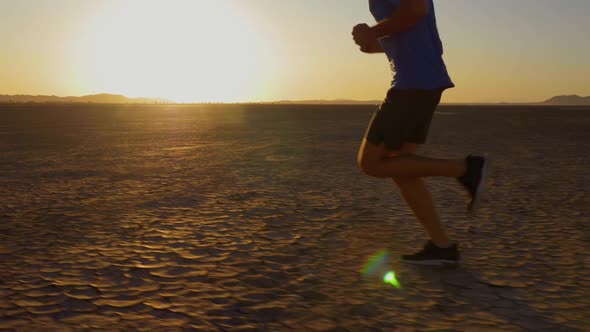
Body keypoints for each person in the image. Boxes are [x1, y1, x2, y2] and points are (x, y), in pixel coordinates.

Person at [352, 0, 489, 265]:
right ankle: (442, 246)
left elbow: (416, 10)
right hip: (420, 81)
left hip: (413, 83)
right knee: (400, 168)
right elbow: (414, 34)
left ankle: (466, 169)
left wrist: (374, 32)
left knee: (371, 163)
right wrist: (370, 42)